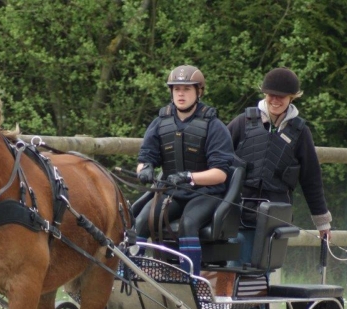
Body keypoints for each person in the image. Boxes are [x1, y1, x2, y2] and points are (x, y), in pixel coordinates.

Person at [135, 65, 235, 275]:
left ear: (199, 91)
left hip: (206, 193)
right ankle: (131, 274)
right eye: (176, 88)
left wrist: (190, 177)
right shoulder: (160, 122)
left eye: (187, 89)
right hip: (172, 192)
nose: (181, 93)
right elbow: (146, 158)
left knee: (188, 223)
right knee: (142, 220)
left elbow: (220, 173)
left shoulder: (214, 126)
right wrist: (145, 170)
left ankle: (191, 280)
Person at [227, 67, 332, 265]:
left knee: (262, 274)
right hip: (239, 210)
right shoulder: (242, 122)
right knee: (234, 268)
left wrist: (322, 223)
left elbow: (311, 179)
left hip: (274, 215)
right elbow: (219, 159)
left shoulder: (301, 133)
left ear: (292, 97)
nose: (275, 101)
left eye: (281, 97)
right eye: (271, 95)